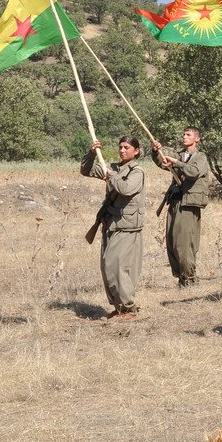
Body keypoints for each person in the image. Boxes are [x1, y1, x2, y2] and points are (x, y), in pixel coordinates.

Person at [81, 137, 146, 319]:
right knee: (107, 266)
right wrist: (92, 153)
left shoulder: (137, 172)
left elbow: (126, 188)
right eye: (120, 147)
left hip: (127, 226)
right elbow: (86, 170)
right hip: (110, 223)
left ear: (136, 151)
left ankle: (127, 307)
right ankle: (119, 307)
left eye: (127, 147)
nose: (122, 150)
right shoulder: (114, 167)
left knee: (118, 266)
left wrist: (111, 175)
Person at [151, 126, 210, 287]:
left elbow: (193, 172)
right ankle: (182, 279)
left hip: (188, 205)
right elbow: (162, 162)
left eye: (188, 135)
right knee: (172, 242)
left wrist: (176, 162)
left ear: (197, 139)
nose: (184, 137)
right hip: (175, 203)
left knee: (184, 243)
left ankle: (190, 279)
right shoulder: (179, 155)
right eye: (183, 134)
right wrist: (156, 151)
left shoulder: (200, 157)